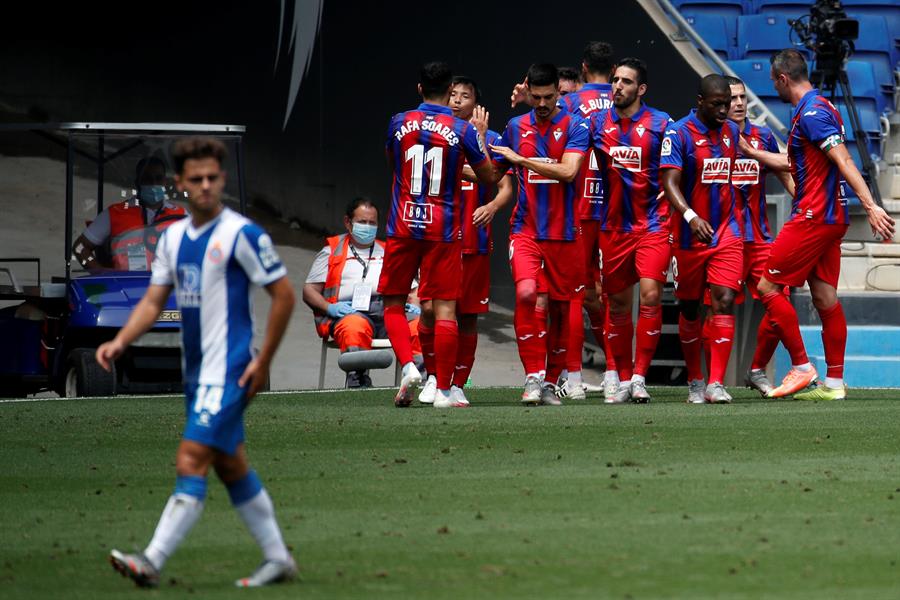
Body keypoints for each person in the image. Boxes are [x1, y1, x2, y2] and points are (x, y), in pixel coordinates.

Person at [100, 137, 297, 588]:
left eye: (212, 177)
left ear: (222, 179)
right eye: (197, 178)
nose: (206, 185)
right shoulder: (172, 238)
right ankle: (278, 558)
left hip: (231, 370)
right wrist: (120, 340)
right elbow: (154, 301)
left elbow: (284, 296)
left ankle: (151, 560)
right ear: (181, 183)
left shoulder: (243, 234)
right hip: (196, 373)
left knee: (190, 460)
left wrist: (263, 360)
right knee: (230, 465)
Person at [738, 49, 894, 400]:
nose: (774, 88)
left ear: (783, 79)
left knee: (767, 287)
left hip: (813, 216)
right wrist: (754, 154)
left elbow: (844, 159)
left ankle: (801, 365)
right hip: (830, 218)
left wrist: (871, 205)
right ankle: (834, 384)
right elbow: (797, 162)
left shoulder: (812, 113)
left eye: (774, 83)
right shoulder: (821, 108)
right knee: (825, 298)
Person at [380, 61, 495, 408]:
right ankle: (444, 390)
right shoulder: (461, 129)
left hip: (403, 224)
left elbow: (394, 163)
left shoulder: (398, 121)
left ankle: (408, 366)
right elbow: (488, 176)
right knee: (446, 310)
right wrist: (476, 141)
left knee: (393, 302)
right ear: (448, 91)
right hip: (442, 228)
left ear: (419, 89)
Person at [490, 63, 589, 406]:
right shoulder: (516, 126)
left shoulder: (575, 125)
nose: (543, 103)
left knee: (561, 310)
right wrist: (463, 157)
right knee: (528, 293)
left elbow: (568, 171)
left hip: (566, 233)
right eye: (537, 97)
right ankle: (533, 377)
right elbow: (493, 174)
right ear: (528, 91)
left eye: (549, 97)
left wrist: (522, 160)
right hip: (526, 230)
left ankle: (549, 382)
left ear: (558, 93)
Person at [417, 76, 514, 406]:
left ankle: (457, 384)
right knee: (429, 309)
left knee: (468, 315)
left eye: (465, 96)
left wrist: (492, 206)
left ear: (476, 104)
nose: (457, 100)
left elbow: (503, 186)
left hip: (474, 240)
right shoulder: (433, 135)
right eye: (453, 94)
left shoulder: (493, 138)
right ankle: (433, 376)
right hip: (437, 236)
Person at [589, 57, 673, 404]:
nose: (618, 86)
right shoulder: (597, 123)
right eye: (615, 80)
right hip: (614, 227)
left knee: (651, 295)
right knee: (619, 305)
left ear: (641, 89)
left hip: (653, 224)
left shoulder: (662, 123)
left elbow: (683, 163)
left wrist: (672, 193)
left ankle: (639, 377)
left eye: (626, 81)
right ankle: (623, 378)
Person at [661, 74, 743, 404]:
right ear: (700, 102)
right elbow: (669, 183)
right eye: (717, 104)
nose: (724, 110)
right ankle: (695, 379)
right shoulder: (678, 133)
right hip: (688, 234)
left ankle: (716, 383)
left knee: (724, 299)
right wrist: (691, 217)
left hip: (726, 231)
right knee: (690, 307)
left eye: (727, 104)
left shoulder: (732, 132)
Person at [722, 75, 795, 396]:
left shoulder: (762, 135)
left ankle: (756, 369)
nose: (739, 103)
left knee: (781, 301)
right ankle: (708, 380)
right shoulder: (709, 135)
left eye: (742, 97)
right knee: (715, 307)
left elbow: (784, 172)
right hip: (721, 238)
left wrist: (804, 204)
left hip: (758, 237)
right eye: (732, 98)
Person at [303, 197, 423, 388]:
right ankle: (358, 382)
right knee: (354, 327)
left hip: (388, 310)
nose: (367, 227)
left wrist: (414, 306)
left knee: (418, 326)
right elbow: (309, 290)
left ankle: (419, 380)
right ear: (348, 222)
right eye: (362, 222)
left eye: (372, 223)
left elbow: (414, 289)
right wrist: (330, 308)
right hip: (349, 311)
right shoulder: (331, 251)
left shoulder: (388, 251)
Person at [556, 41, 619, 402]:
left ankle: (574, 378)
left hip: (577, 209)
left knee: (575, 296)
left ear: (583, 68)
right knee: (612, 298)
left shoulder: (569, 104)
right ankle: (615, 374)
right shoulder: (625, 102)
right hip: (614, 211)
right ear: (614, 71)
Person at [72, 156, 186, 271]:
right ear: (137, 182)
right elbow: (79, 247)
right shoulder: (115, 213)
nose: (153, 183)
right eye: (147, 179)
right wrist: (101, 272)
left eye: (158, 178)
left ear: (165, 182)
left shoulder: (181, 215)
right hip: (127, 281)